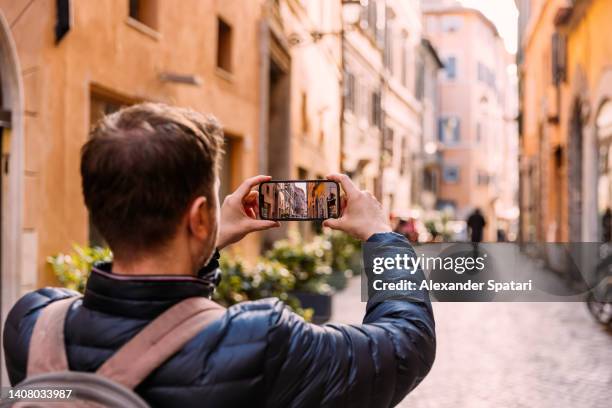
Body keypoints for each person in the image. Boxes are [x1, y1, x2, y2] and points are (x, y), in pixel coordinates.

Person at [3, 103, 435, 407]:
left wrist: (206, 241)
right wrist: (382, 235)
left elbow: (121, 317)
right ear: (198, 216)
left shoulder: (32, 325)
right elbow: (404, 346)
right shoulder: (264, 341)